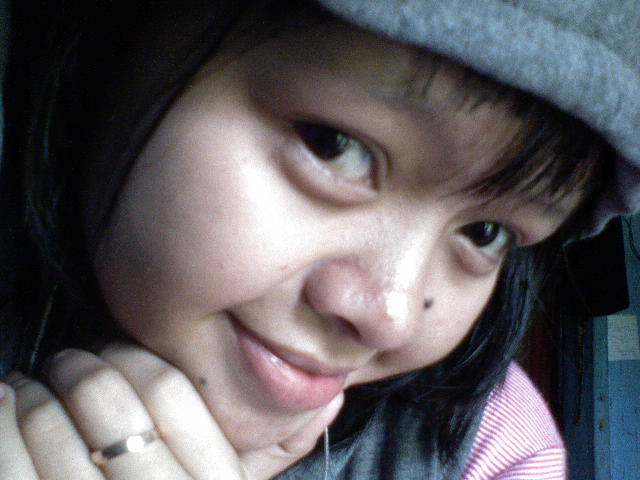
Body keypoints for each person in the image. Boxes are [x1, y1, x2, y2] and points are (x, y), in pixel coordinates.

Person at [0, 0, 638, 478]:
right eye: (335, 147)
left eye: (485, 233)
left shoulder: (497, 452)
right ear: (106, 54)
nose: (388, 316)